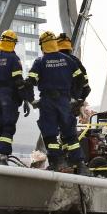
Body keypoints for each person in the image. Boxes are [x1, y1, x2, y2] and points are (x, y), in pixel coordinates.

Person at [26, 31, 88, 173]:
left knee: (49, 134)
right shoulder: (68, 60)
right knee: (70, 134)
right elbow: (81, 80)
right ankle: (79, 164)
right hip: (65, 101)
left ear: (43, 46)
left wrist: (31, 100)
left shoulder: (40, 62)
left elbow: (30, 82)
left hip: (48, 102)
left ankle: (56, 162)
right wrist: (76, 98)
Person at [0, 30, 27, 165]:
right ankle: (3, 155)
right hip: (9, 96)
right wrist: (25, 98)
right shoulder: (14, 59)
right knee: (8, 126)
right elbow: (19, 81)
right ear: (13, 43)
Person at [55, 32, 89, 154]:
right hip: (72, 103)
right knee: (69, 132)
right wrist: (79, 100)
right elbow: (86, 87)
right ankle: (72, 158)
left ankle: (63, 159)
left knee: (59, 133)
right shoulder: (76, 62)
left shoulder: (55, 62)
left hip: (59, 103)